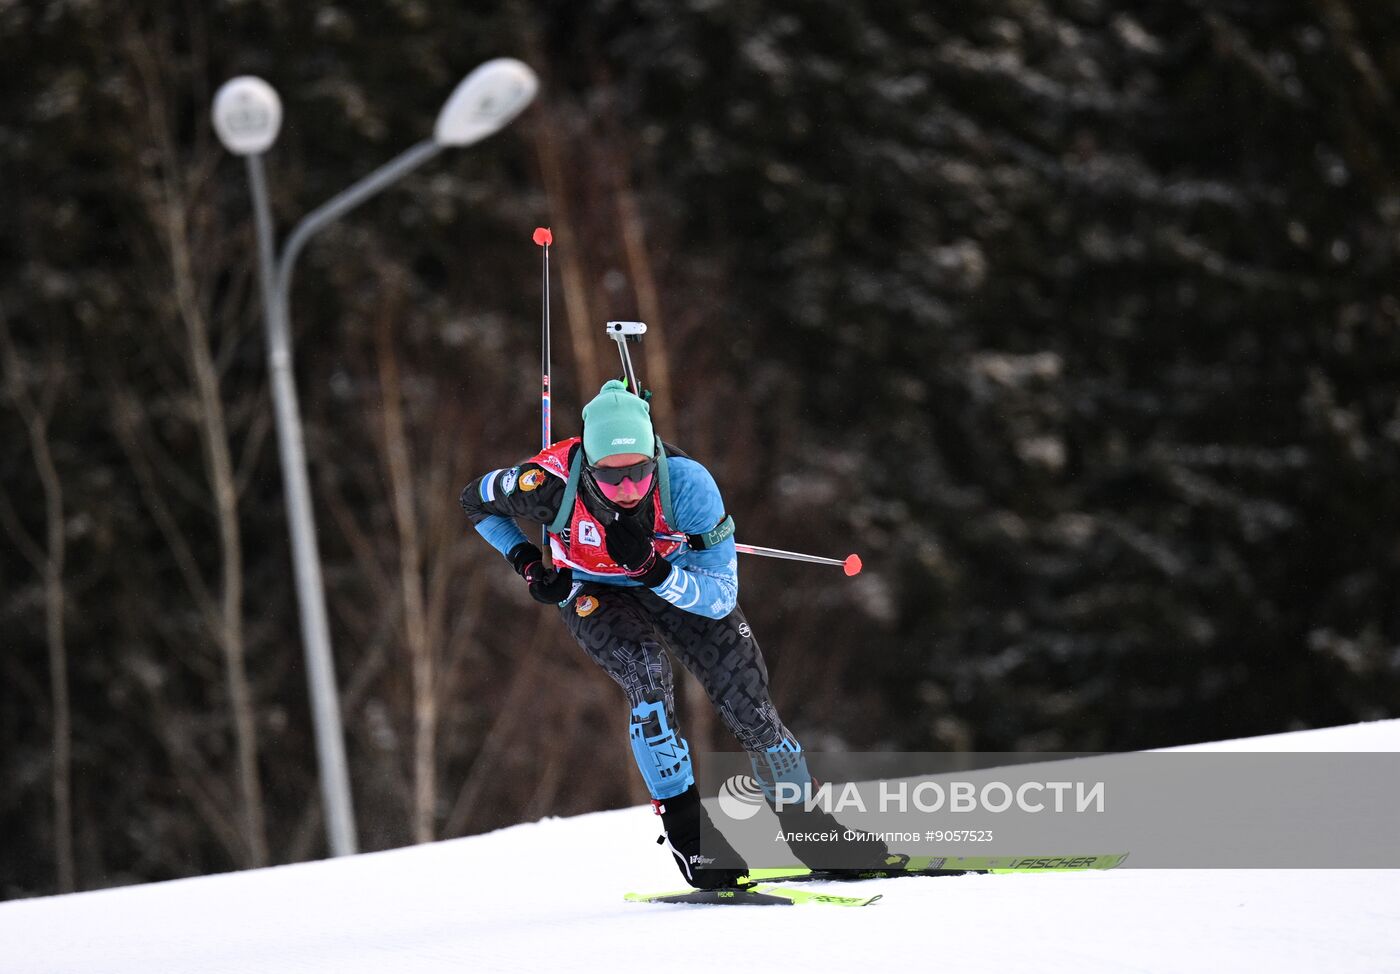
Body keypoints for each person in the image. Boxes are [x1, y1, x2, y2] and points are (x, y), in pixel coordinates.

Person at [460, 379, 895, 888]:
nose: (626, 490)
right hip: (595, 591)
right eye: (610, 477)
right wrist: (529, 563)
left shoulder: (688, 486)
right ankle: (694, 840)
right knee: (648, 673)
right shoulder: (545, 485)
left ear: (654, 457)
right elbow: (476, 503)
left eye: (639, 473)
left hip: (676, 576)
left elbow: (719, 596)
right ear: (587, 463)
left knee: (748, 700)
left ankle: (811, 830)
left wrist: (653, 571)